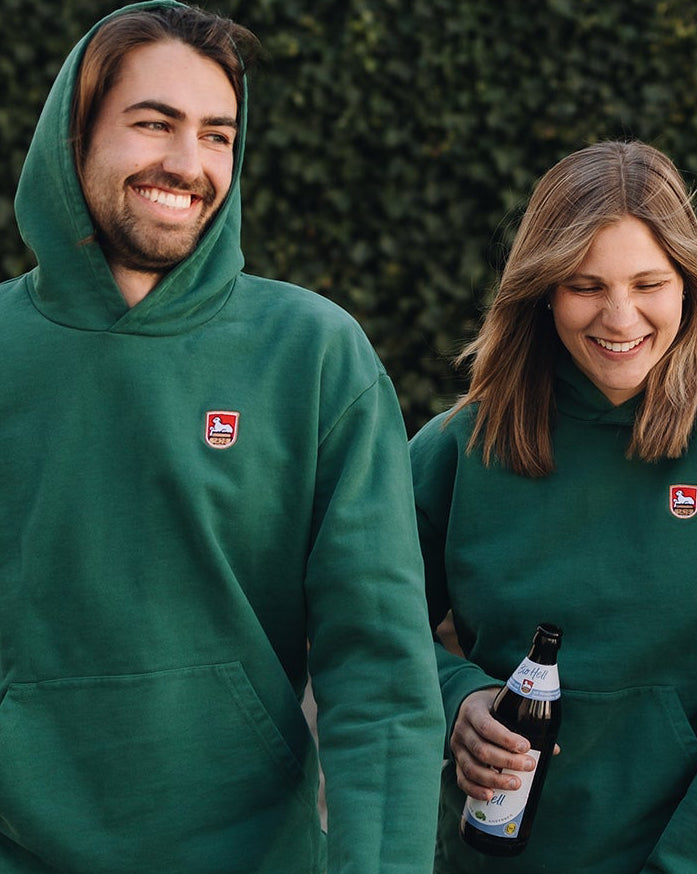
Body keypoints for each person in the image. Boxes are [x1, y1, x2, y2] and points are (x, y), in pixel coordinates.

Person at [0, 3, 445, 872]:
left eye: (217, 134)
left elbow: (380, 670)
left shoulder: (312, 354)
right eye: (154, 123)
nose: (188, 162)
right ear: (74, 133)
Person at [409, 140, 697, 874]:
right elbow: (375, 628)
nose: (619, 316)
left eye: (649, 283)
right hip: (496, 855)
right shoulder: (461, 445)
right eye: (585, 284)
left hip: (687, 855)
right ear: (542, 288)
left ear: (690, 285)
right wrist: (458, 700)